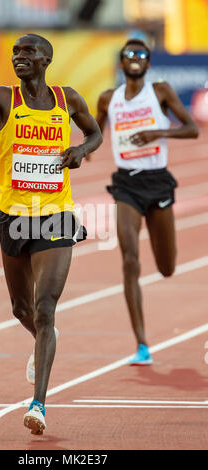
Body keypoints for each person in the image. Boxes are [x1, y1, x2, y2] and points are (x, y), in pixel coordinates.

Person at [0, 33, 102, 434]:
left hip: (55, 215)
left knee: (45, 307)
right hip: (13, 217)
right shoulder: (2, 98)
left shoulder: (68, 99)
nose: (19, 57)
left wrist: (81, 152)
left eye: (28, 52)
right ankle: (44, 338)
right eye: (15, 52)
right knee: (21, 309)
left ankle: (38, 404)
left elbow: (95, 133)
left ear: (46, 59)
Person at [91, 38, 198, 365]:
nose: (134, 58)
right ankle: (141, 344)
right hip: (126, 184)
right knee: (129, 259)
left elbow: (192, 129)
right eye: (128, 55)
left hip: (158, 181)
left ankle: (143, 338)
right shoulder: (109, 98)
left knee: (166, 268)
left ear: (148, 64)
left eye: (141, 54)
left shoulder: (161, 91)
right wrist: (85, 150)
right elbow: (95, 132)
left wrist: (157, 134)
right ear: (121, 64)